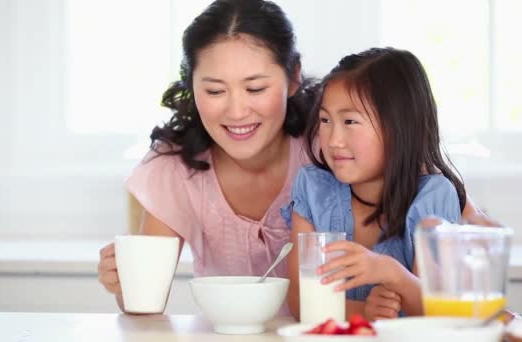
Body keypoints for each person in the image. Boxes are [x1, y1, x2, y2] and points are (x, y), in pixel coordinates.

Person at [98, 0, 485, 314]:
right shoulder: (175, 167)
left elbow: (423, 178)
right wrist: (123, 284)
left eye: (255, 88)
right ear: (191, 86)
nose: (236, 112)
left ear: (293, 77)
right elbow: (143, 302)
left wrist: (472, 224)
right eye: (215, 91)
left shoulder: (329, 145)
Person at [283, 47, 467, 321]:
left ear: (400, 127)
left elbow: (441, 314)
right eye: (325, 120)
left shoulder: (432, 199)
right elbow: (301, 302)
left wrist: (391, 273)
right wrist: (366, 312)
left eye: (350, 121)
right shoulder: (313, 189)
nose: (334, 140)